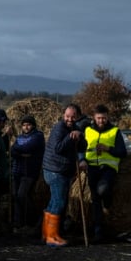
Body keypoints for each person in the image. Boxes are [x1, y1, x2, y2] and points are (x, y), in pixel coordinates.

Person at [42, 104, 88, 247]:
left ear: (77, 117)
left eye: (73, 117)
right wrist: (70, 137)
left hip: (63, 170)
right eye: (67, 116)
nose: (69, 119)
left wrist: (79, 137)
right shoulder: (59, 128)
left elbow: (82, 147)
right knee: (59, 202)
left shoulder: (76, 128)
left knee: (54, 202)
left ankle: (46, 233)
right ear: (64, 116)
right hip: (55, 170)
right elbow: (58, 148)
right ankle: (51, 237)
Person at [84, 105, 128, 243]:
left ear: (107, 117)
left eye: (103, 118)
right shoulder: (87, 130)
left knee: (102, 190)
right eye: (98, 118)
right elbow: (81, 148)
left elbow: (123, 152)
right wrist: (81, 160)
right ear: (94, 117)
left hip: (108, 168)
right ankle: (98, 232)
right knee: (95, 200)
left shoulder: (115, 131)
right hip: (91, 167)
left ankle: (108, 202)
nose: (101, 121)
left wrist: (108, 148)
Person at [10, 115, 45, 232]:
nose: (26, 127)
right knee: (16, 196)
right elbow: (12, 151)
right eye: (24, 125)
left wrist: (19, 151)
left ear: (33, 125)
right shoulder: (19, 137)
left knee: (22, 196)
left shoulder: (38, 136)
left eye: (28, 125)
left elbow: (28, 147)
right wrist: (21, 153)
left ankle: (33, 221)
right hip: (17, 170)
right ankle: (18, 223)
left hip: (29, 171)